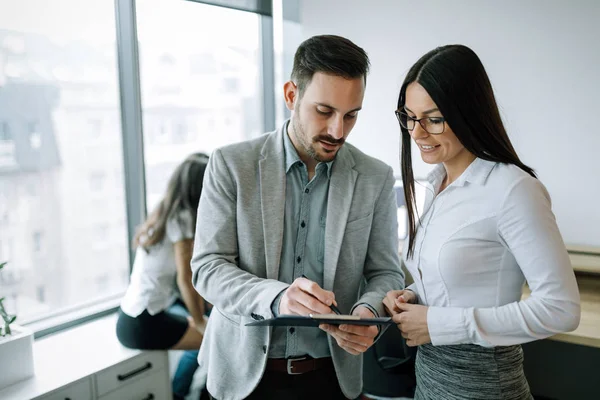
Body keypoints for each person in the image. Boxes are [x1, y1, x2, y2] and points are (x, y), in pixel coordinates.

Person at [191, 34, 405, 400]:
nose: (338, 130)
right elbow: (208, 268)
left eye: (351, 115)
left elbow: (387, 271)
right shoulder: (230, 164)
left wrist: (368, 311)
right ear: (291, 95)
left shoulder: (376, 177)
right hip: (242, 380)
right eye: (324, 111)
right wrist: (277, 299)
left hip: (330, 380)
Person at [383, 44, 581, 400]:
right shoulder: (436, 182)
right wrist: (414, 298)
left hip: (486, 387)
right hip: (429, 382)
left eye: (434, 118)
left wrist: (437, 323)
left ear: (468, 114)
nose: (417, 133)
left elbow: (561, 309)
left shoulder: (514, 190)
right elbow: (456, 283)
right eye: (409, 117)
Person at [116, 152, 211, 400]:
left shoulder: (165, 211)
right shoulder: (183, 218)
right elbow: (185, 278)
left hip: (132, 315)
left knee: (207, 329)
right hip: (144, 323)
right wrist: (200, 320)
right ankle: (181, 395)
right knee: (215, 339)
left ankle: (181, 392)